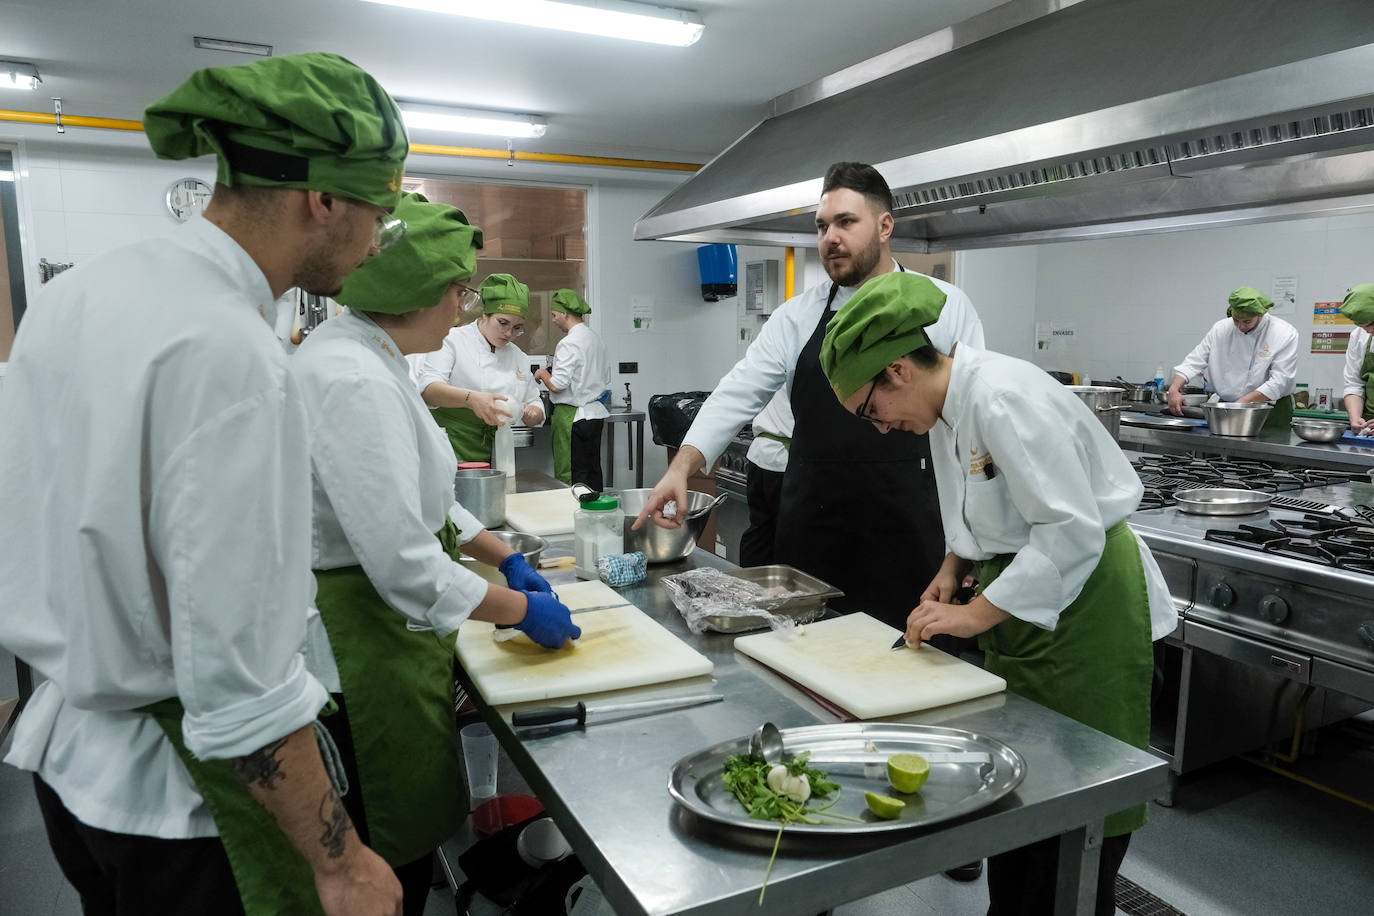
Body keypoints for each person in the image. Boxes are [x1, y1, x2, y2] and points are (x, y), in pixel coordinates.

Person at [0, 53, 411, 915]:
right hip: (185, 807)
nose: (377, 242)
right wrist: (340, 862)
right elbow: (237, 675)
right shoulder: (231, 349)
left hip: (70, 767)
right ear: (323, 200)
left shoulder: (84, 293)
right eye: (380, 211)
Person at [819, 271, 1177, 916]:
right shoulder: (947, 408)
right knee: (1024, 796)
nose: (879, 427)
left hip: (1087, 603)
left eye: (871, 411)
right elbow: (990, 502)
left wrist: (974, 617)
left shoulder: (1002, 396)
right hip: (1030, 601)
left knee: (1077, 800)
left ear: (897, 370)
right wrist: (954, 565)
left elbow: (1068, 533)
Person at [291, 192, 580, 915]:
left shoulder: (369, 356)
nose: (462, 306)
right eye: (457, 290)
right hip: (360, 650)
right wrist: (518, 610)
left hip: (387, 631)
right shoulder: (351, 379)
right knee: (387, 863)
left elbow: (420, 495)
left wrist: (498, 551)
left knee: (409, 842)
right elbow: (403, 561)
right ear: (412, 290)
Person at [632, 162, 985, 630]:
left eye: (845, 222)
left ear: (884, 226)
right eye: (822, 226)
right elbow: (736, 393)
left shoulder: (945, 306)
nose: (830, 238)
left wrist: (970, 542)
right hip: (814, 531)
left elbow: (973, 428)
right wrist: (681, 468)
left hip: (910, 529)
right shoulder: (795, 317)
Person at [418, 273, 545, 475]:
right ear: (485, 314)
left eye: (517, 328)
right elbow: (428, 389)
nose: (509, 334)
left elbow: (534, 400)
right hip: (452, 442)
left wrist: (536, 413)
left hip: (496, 447)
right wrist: (471, 399)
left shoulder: (519, 357)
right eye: (503, 323)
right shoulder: (452, 340)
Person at [1165, 285, 1298, 428]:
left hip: (1269, 410)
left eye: (1247, 321)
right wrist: (1173, 390)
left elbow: (1280, 380)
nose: (1240, 326)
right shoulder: (1221, 328)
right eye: (1236, 320)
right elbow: (1194, 361)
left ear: (1260, 314)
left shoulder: (1283, 333)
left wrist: (1239, 406)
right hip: (1227, 407)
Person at [534, 288, 611, 488]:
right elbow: (606, 377)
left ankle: (571, 515)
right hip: (594, 415)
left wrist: (543, 373)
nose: (552, 320)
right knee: (591, 471)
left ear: (564, 313)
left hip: (572, 417)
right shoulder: (596, 339)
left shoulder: (569, 343)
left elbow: (558, 385)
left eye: (553, 315)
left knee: (570, 473)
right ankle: (594, 513)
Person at [739, 389, 792, 567]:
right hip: (783, 461)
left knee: (759, 529)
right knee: (787, 537)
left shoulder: (775, 364)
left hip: (760, 456)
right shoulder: (807, 365)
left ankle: (748, 587)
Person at [1339, 283, 1374, 435]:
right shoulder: (1359, 336)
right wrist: (1355, 418)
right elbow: (1354, 383)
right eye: (1364, 327)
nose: (1369, 331)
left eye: (1372, 324)